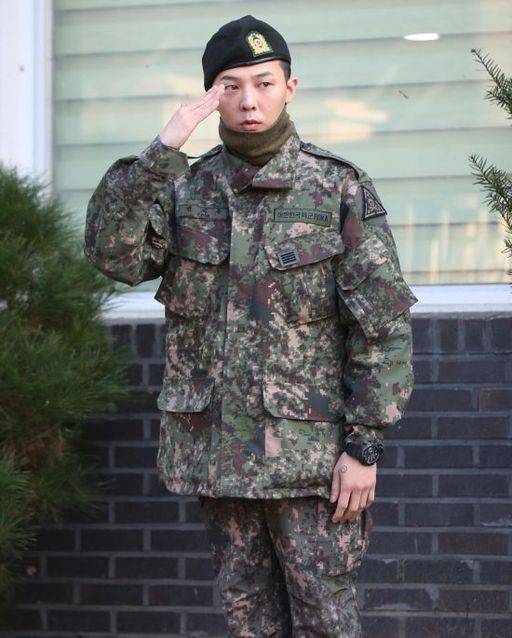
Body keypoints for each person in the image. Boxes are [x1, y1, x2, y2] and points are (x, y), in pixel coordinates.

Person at [84, 14, 418, 638]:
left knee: (325, 623)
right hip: (218, 455)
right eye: (230, 86)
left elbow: (382, 326)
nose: (248, 101)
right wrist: (161, 152)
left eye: (264, 83)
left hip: (311, 462)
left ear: (290, 88)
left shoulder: (336, 188)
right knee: (247, 623)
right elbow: (113, 255)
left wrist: (365, 446)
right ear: (212, 96)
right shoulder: (185, 189)